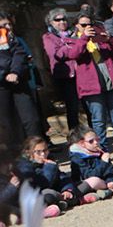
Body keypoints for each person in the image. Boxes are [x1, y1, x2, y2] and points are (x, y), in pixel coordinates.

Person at [63, 15, 113, 153]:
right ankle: (101, 148)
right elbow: (74, 54)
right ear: (76, 25)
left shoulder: (100, 38)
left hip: (111, 82)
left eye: (90, 24)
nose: (88, 27)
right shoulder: (72, 40)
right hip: (91, 87)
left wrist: (110, 39)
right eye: (83, 24)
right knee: (98, 120)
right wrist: (84, 38)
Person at [0, 14, 41, 148]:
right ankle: (14, 157)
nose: (7, 27)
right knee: (7, 124)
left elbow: (19, 54)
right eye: (3, 25)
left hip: (18, 82)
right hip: (2, 87)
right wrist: (4, 75)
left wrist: (14, 72)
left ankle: (36, 151)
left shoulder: (10, 38)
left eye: (8, 24)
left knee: (31, 120)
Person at [42, 9, 81, 130]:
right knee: (72, 107)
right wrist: (72, 44)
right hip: (65, 75)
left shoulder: (74, 33)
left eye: (63, 19)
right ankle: (75, 135)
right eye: (57, 20)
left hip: (81, 73)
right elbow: (56, 54)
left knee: (87, 105)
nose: (62, 22)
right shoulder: (48, 37)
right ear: (51, 22)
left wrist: (70, 44)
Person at [67, 127, 113, 197]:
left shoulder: (100, 150)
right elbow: (89, 175)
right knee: (94, 181)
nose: (96, 143)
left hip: (104, 180)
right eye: (91, 141)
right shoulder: (77, 156)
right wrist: (104, 162)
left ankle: (111, 190)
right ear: (82, 143)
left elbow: (110, 170)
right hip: (88, 182)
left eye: (97, 139)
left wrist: (110, 180)